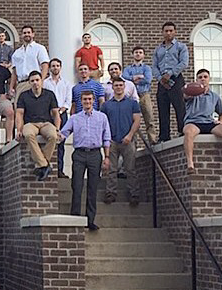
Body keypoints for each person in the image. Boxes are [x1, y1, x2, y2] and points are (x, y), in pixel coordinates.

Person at [59, 90, 111, 231]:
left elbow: (107, 138)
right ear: (81, 101)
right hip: (79, 154)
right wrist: (52, 136)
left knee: (93, 187)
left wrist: (107, 157)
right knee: (77, 185)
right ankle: (75, 217)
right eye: (84, 100)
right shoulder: (75, 118)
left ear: (93, 101)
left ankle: (90, 220)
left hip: (95, 154)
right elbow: (63, 133)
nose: (87, 102)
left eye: (89, 99)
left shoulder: (102, 117)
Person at [183, 70, 222, 176]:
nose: (203, 79)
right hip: (193, 121)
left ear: (209, 79)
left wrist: (220, 122)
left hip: (209, 122)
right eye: (200, 77)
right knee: (188, 132)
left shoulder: (214, 96)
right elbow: (185, 96)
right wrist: (190, 91)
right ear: (196, 80)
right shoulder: (192, 94)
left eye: (205, 77)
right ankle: (190, 164)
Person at [101, 78, 142, 206]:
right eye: (116, 85)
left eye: (120, 85)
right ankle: (111, 193)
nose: (118, 87)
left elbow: (137, 121)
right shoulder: (106, 105)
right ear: (112, 88)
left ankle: (134, 194)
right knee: (112, 169)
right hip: (112, 140)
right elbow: (103, 123)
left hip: (128, 140)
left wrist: (130, 135)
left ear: (124, 87)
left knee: (130, 168)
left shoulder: (132, 103)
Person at [16, 70, 61, 179]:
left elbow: (55, 113)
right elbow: (19, 114)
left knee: (53, 136)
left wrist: (57, 128)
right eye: (32, 81)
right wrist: (18, 130)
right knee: (28, 135)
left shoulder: (49, 95)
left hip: (46, 123)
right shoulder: (23, 96)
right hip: (30, 123)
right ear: (29, 83)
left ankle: (41, 164)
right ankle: (45, 164)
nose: (35, 83)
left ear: (41, 81)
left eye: (37, 80)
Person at [153, 22, 189, 141]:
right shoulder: (158, 50)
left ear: (175, 32)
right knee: (162, 108)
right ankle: (164, 136)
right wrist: (160, 79)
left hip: (176, 78)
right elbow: (154, 66)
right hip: (162, 81)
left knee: (180, 106)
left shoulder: (181, 47)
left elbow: (184, 63)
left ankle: (182, 131)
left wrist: (171, 74)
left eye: (171, 31)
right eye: (166, 31)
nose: (168, 33)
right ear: (162, 33)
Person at [122, 46, 157, 144]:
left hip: (144, 95)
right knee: (132, 120)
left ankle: (152, 140)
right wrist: (138, 77)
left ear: (143, 55)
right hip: (132, 97)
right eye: (136, 52)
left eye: (140, 52)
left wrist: (132, 80)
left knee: (149, 117)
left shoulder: (146, 68)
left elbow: (148, 80)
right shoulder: (128, 68)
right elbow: (124, 79)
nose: (138, 54)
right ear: (132, 54)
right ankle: (134, 142)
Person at [9, 25, 49, 101]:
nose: (26, 34)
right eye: (24, 33)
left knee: (35, 108)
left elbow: (45, 66)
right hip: (21, 84)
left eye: (28, 32)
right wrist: (11, 87)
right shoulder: (16, 53)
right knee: (19, 108)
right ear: (21, 35)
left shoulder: (39, 48)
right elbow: (14, 72)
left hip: (35, 83)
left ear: (33, 34)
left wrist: (41, 81)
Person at [48, 57, 72, 177]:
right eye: (53, 66)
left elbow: (68, 100)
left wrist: (61, 110)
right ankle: (49, 168)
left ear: (60, 67)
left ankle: (60, 170)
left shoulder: (66, 83)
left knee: (61, 142)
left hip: (62, 115)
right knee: (49, 141)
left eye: (57, 66)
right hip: (49, 116)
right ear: (50, 68)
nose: (55, 68)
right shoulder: (45, 83)